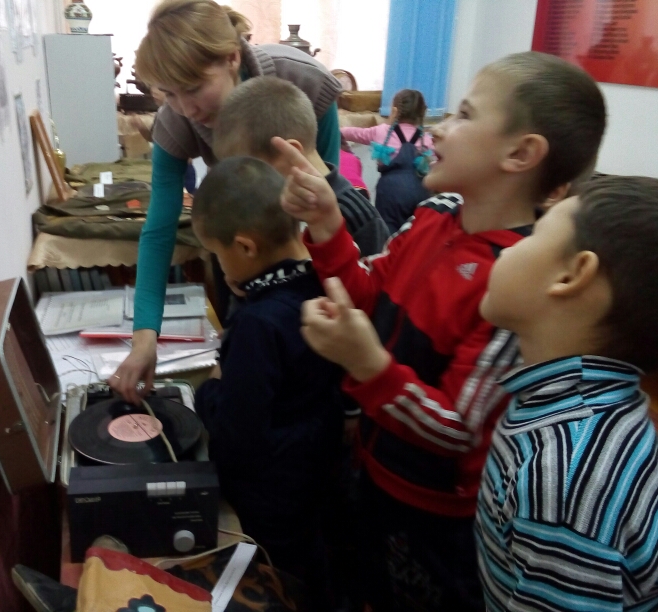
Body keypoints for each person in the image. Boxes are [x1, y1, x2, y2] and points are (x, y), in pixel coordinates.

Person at [281, 51, 606, 610]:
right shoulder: (434, 213)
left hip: (434, 514)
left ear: (520, 153)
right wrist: (328, 223)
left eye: (464, 114)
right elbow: (368, 290)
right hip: (375, 466)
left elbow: (458, 428)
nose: (439, 128)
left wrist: (368, 366)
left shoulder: (518, 280)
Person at [109, 0, 343, 405]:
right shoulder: (177, 121)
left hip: (313, 257)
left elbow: (325, 202)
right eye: (170, 94)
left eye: (194, 88)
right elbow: (159, 231)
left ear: (232, 57)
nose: (186, 109)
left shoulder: (303, 82)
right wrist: (145, 340)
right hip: (250, 254)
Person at [475, 176, 658, 610]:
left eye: (534, 234)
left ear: (572, 274)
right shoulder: (568, 408)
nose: (508, 249)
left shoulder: (565, 479)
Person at [192, 156, 345, 606]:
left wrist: (209, 389)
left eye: (217, 254)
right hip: (319, 482)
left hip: (271, 506)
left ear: (245, 247)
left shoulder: (258, 326)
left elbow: (238, 438)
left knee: (284, 590)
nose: (219, 266)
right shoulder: (323, 282)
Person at [213, 76, 388, 258]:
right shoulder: (274, 205)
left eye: (248, 173)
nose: (244, 186)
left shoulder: (360, 220)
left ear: (289, 154)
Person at [341, 89, 434, 233]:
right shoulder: (427, 140)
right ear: (423, 113)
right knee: (415, 234)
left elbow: (347, 132)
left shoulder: (381, 131)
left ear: (394, 111)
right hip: (419, 192)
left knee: (387, 235)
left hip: (389, 192)